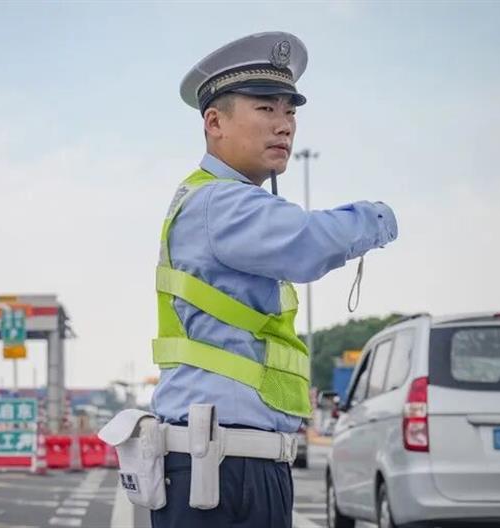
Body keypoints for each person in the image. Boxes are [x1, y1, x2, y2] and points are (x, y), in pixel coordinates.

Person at [147, 31, 399, 527]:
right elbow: (311, 241)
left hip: (230, 462)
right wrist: (380, 218)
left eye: (290, 111)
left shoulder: (212, 199)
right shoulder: (220, 201)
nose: (284, 125)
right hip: (223, 470)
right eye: (265, 108)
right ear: (214, 122)